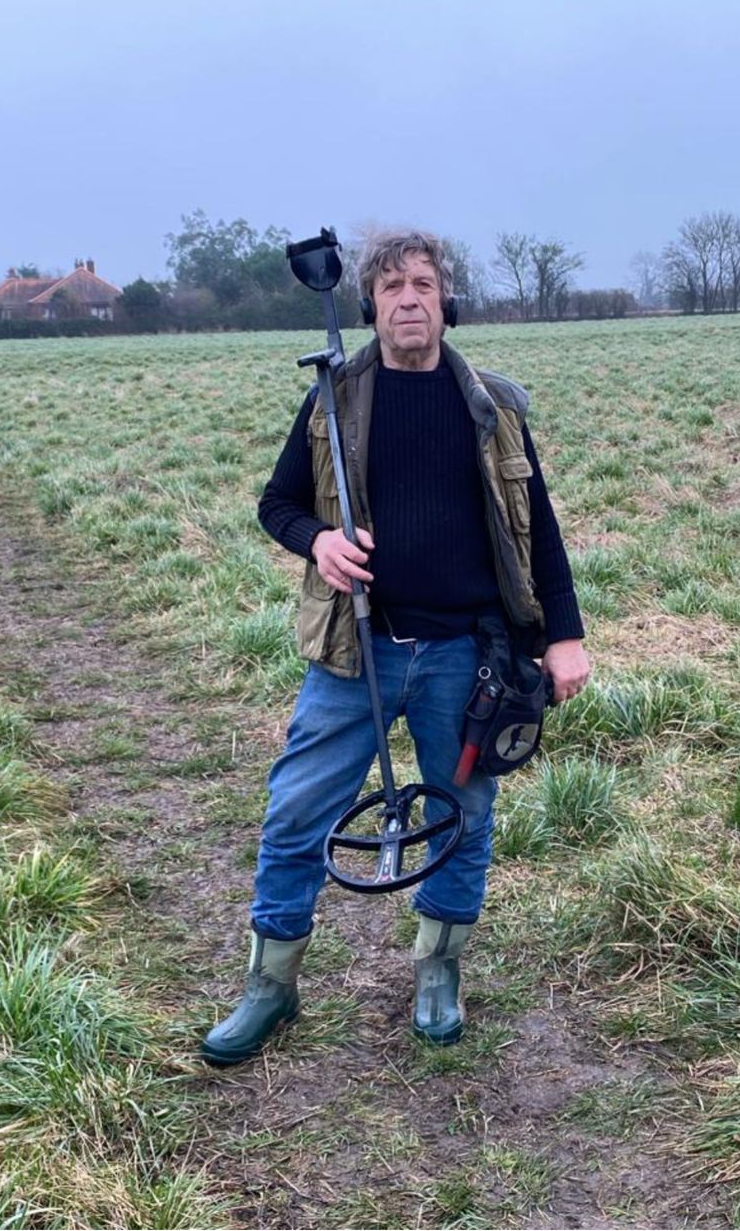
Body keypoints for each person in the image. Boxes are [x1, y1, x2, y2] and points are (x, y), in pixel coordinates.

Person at [201, 229, 590, 1066]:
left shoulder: (495, 406)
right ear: (370, 305)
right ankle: (270, 984)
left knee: (465, 814)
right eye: (390, 288)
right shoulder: (333, 399)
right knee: (297, 810)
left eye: (423, 284)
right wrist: (318, 543)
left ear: (445, 302)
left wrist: (564, 636)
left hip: (469, 655)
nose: (408, 299)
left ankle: (437, 972)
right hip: (357, 652)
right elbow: (276, 503)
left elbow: (540, 533)